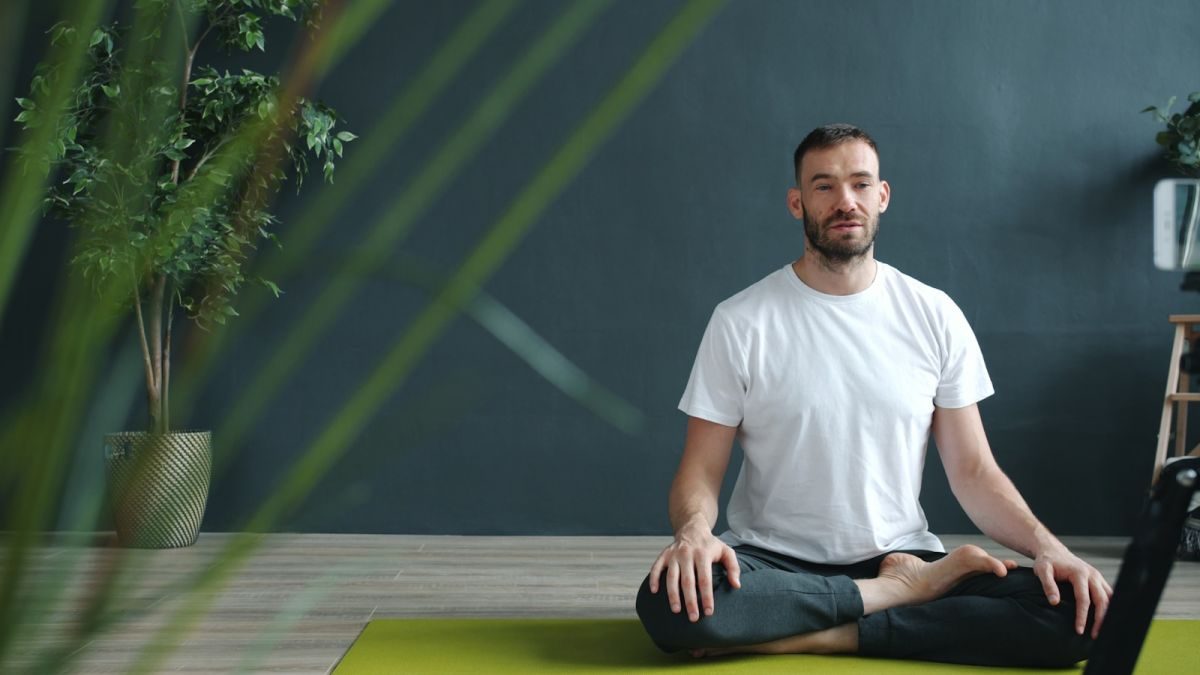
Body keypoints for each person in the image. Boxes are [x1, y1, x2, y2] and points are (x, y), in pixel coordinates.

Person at [634, 123, 1112, 667]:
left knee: (1079, 609)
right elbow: (699, 469)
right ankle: (895, 601)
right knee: (666, 604)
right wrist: (695, 534)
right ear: (797, 203)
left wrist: (1049, 548)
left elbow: (975, 471)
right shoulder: (741, 320)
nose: (845, 201)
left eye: (861, 184)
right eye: (824, 186)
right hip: (772, 564)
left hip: (904, 556)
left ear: (881, 196)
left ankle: (820, 631)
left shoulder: (933, 314)